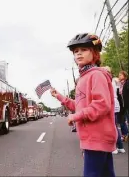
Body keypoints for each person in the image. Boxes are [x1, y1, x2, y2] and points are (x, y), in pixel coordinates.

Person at [50, 33, 117, 177]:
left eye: (84, 49)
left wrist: (76, 116)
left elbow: (102, 104)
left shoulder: (96, 75)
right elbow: (80, 105)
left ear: (94, 53)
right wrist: (60, 97)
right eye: (75, 51)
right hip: (93, 137)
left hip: (97, 136)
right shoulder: (83, 77)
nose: (79, 53)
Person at [103, 67, 125, 154]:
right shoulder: (113, 81)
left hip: (110, 104)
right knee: (114, 126)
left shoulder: (107, 81)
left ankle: (114, 147)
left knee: (111, 127)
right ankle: (120, 147)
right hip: (115, 104)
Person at [118, 70, 129, 142]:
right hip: (123, 106)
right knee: (123, 120)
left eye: (120, 75)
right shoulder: (120, 84)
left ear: (124, 76)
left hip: (127, 104)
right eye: (119, 75)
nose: (119, 76)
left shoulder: (127, 83)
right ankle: (125, 135)